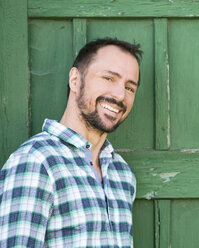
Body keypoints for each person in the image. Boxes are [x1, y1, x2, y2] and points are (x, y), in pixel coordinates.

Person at [0, 38, 142, 247]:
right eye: (109, 78)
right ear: (75, 80)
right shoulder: (36, 162)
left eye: (130, 88)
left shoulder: (122, 174)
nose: (120, 95)